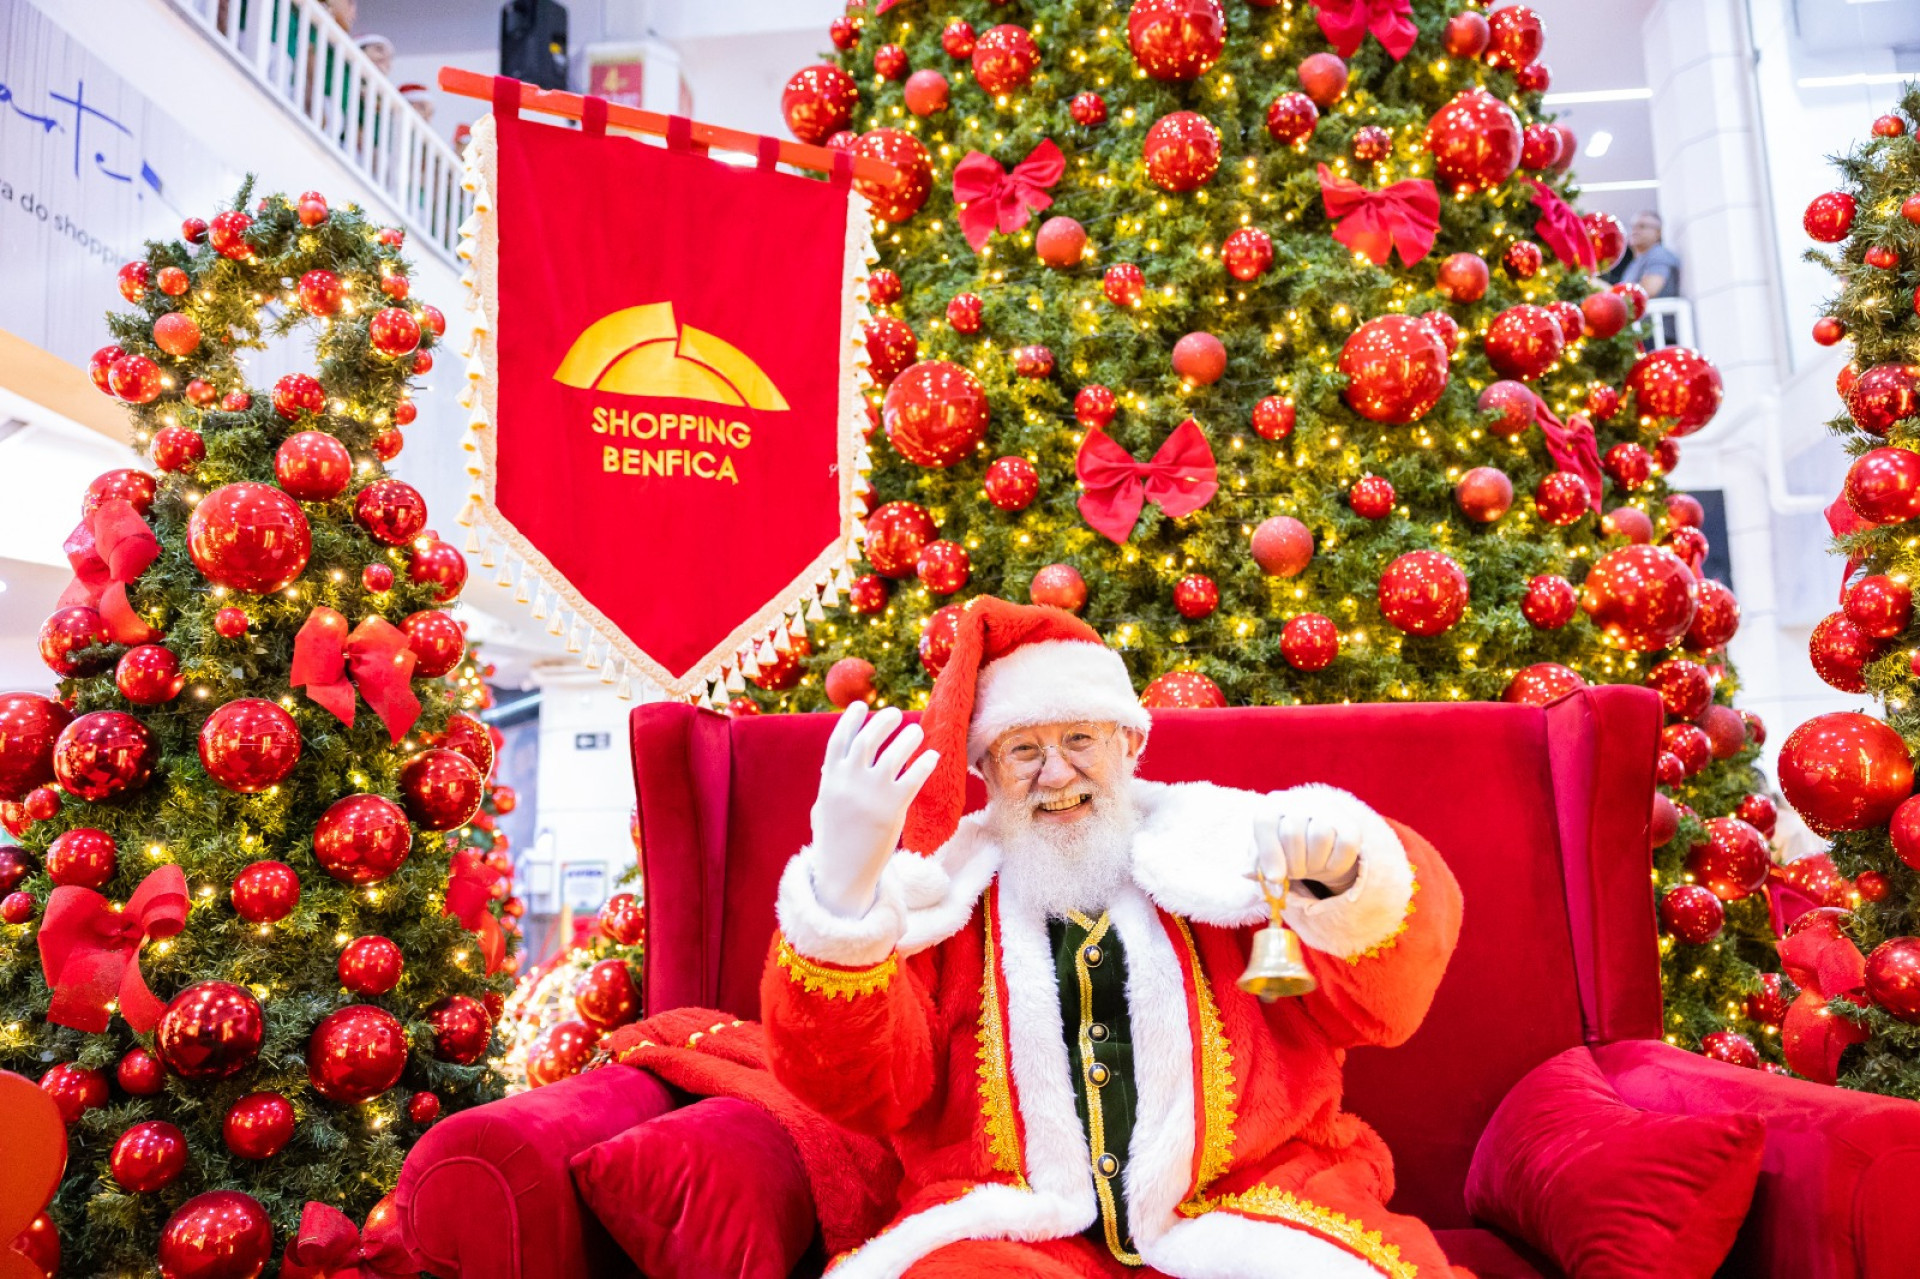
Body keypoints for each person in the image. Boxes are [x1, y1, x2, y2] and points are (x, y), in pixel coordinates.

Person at [762, 598, 1464, 1278]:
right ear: (987, 773)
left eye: (1079, 739)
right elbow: (867, 1091)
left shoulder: (1226, 852)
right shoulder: (945, 903)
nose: (1057, 773)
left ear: (1129, 742)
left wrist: (1344, 880)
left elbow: (1378, 1009)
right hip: (1014, 1231)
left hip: (1244, 1209)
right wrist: (845, 899)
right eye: (1023, 750)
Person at [1615, 210, 1680, 299]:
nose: (1635, 231)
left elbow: (1648, 291)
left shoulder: (1659, 254)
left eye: (1642, 226)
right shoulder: (1634, 264)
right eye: (1633, 227)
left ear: (1658, 232)